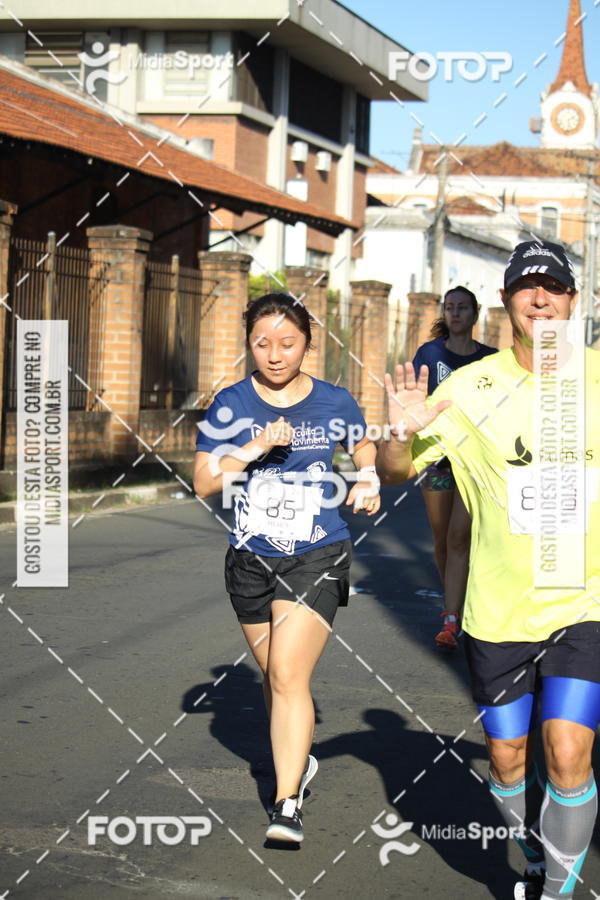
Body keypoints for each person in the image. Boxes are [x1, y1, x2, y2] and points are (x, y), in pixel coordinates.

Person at [376, 240, 599, 900]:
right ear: (507, 303)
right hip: (498, 612)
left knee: (566, 754)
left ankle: (556, 887)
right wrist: (397, 433)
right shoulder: (470, 387)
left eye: (553, 286)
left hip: (583, 603)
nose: (540, 298)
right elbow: (395, 472)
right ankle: (531, 839)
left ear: (571, 300)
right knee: (507, 757)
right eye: (527, 287)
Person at [193, 293, 381, 844]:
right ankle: (299, 760)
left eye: (288, 343)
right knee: (275, 676)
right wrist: (253, 447)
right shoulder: (230, 404)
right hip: (251, 559)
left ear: (307, 342)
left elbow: (363, 444)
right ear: (248, 342)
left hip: (318, 552)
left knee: (288, 676)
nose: (275, 355)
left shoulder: (333, 401)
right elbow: (204, 481)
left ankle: (287, 801)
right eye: (262, 343)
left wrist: (366, 475)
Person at [412, 286, 497, 650]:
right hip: (436, 455)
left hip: (474, 457)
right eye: (450, 308)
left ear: (475, 315)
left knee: (460, 536)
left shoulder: (490, 359)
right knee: (442, 535)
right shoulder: (429, 353)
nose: (456, 314)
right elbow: (417, 398)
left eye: (463, 308)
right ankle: (453, 598)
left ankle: (452, 619)